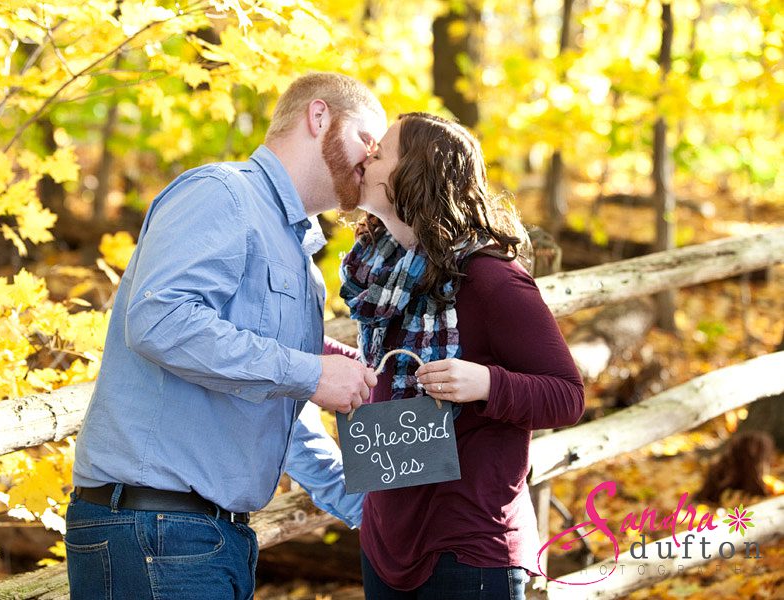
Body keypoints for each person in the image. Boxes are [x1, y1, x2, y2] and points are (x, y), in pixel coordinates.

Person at [66, 73, 386, 599]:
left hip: (211, 538)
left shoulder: (300, 260)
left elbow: (279, 407)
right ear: (319, 116)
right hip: (156, 530)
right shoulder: (224, 195)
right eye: (367, 138)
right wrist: (311, 372)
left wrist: (372, 510)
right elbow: (159, 320)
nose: (372, 158)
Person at [340, 112, 585, 599]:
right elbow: (388, 373)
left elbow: (568, 395)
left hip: (467, 548)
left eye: (382, 152)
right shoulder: (383, 273)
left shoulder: (492, 281)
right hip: (384, 542)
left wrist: (489, 384)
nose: (367, 157)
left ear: (415, 175)